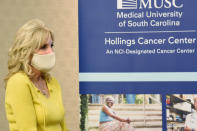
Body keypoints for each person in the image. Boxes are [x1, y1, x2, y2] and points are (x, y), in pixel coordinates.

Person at [4, 19, 68, 131]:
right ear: (26, 51)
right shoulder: (18, 82)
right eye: (43, 47)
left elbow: (63, 127)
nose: (51, 52)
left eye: (51, 45)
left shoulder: (53, 83)